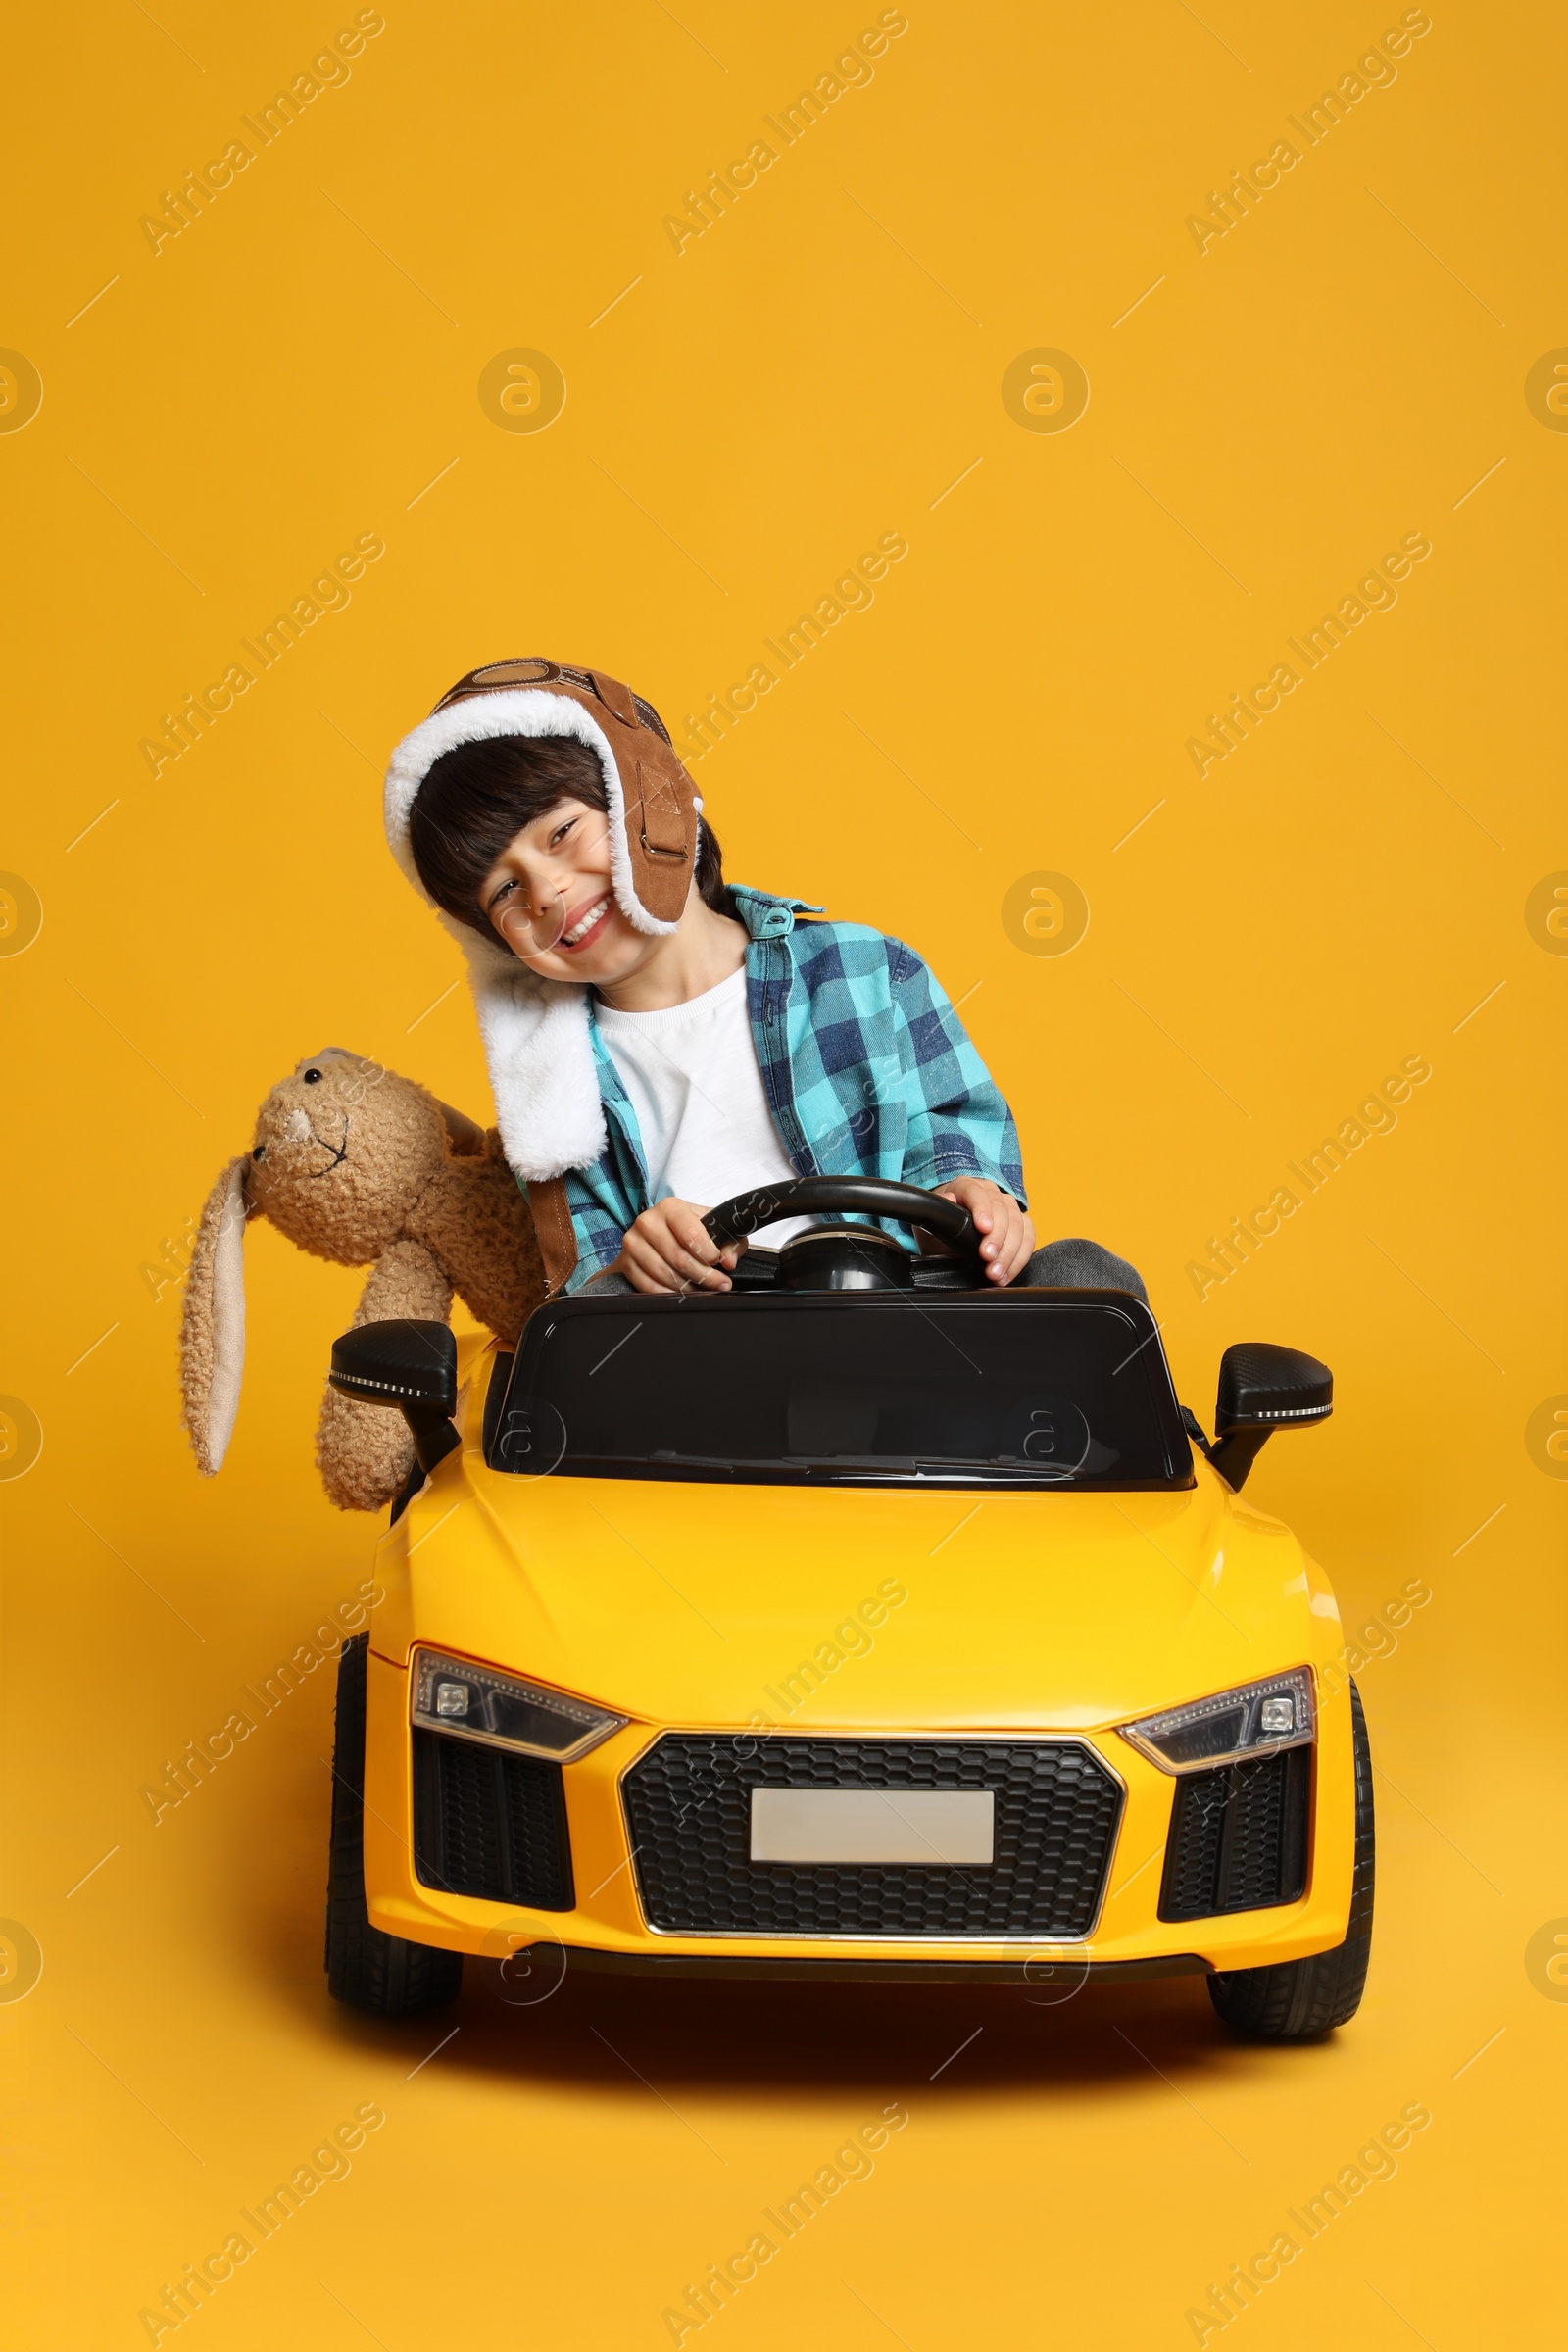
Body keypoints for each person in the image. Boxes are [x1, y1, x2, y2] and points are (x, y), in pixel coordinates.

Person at [384, 659, 1145, 1300]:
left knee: (1086, 1276)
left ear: (648, 799)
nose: (546, 891)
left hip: (911, 1328)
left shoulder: (869, 968)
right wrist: (633, 1258)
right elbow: (584, 1283)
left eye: (562, 832)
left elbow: (955, 1131)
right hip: (718, 1364)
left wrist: (973, 1198)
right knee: (604, 1306)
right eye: (505, 893)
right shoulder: (557, 1095)